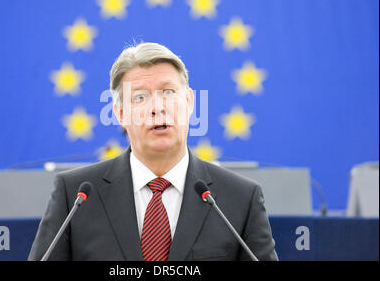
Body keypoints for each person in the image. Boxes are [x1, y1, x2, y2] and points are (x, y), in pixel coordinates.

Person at [28, 42, 278, 261]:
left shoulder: (241, 198)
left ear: (190, 102)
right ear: (121, 113)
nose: (157, 107)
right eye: (140, 97)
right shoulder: (75, 196)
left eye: (168, 92)